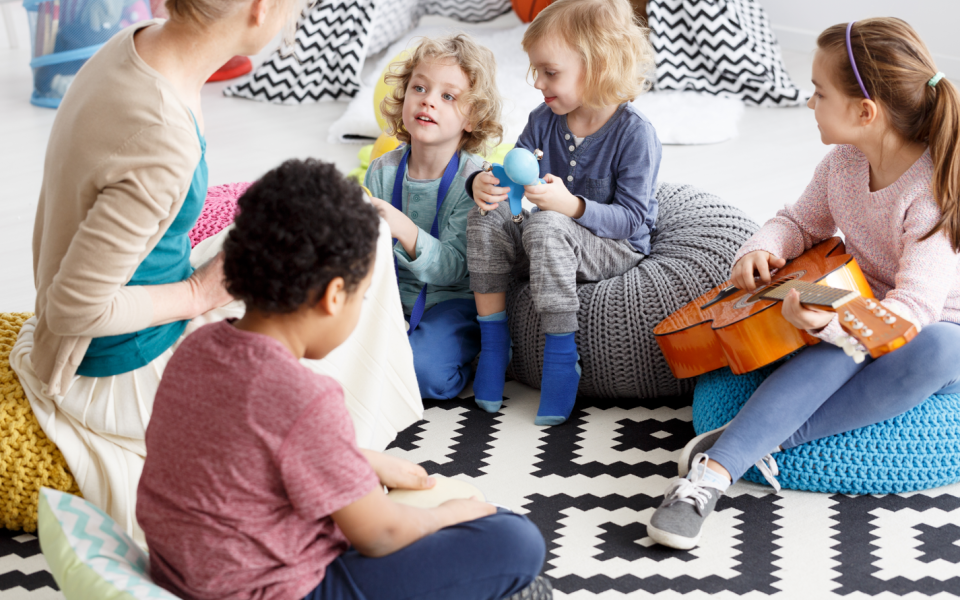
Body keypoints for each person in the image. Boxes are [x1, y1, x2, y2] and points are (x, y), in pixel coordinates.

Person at [9, 0, 421, 543]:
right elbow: (72, 308)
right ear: (260, 9)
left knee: (348, 220)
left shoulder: (136, 45)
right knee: (347, 258)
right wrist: (199, 293)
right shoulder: (160, 134)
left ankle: (329, 441)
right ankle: (337, 455)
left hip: (135, 309)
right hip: (116, 369)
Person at [137, 159, 550, 600]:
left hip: (184, 573)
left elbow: (247, 449)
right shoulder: (304, 396)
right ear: (335, 296)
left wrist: (357, 459)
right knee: (516, 539)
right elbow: (380, 534)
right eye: (362, 295)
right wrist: (450, 514)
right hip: (278, 589)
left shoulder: (198, 350)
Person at [647, 18, 960, 550]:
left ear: (865, 112)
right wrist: (763, 248)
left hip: (925, 326)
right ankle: (708, 480)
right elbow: (798, 222)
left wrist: (838, 323)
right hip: (860, 304)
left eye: (818, 93)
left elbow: (914, 306)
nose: (808, 102)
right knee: (837, 344)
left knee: (942, 349)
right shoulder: (841, 163)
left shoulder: (932, 195)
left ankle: (740, 447)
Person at [466, 0, 661, 425]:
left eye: (549, 72)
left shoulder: (634, 134)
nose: (537, 82)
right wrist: (483, 182)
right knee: (484, 214)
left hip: (615, 247)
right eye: (535, 70)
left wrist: (571, 206)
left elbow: (632, 219)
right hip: (550, 237)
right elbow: (513, 172)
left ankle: (560, 354)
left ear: (598, 66)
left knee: (549, 224)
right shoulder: (544, 119)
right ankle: (494, 342)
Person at [365, 34, 503, 400]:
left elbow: (455, 268)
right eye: (419, 88)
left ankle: (464, 356)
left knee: (423, 376)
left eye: (448, 96)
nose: (428, 100)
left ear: (472, 117)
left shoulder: (473, 181)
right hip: (390, 296)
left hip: (450, 302)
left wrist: (405, 230)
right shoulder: (381, 170)